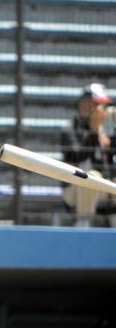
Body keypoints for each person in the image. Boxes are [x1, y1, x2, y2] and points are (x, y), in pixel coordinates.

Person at [61, 83, 115, 227]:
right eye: (96, 105)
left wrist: (110, 138)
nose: (100, 110)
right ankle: (83, 225)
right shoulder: (71, 129)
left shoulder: (108, 129)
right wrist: (93, 131)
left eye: (103, 106)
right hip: (73, 190)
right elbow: (76, 156)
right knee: (91, 176)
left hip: (104, 187)